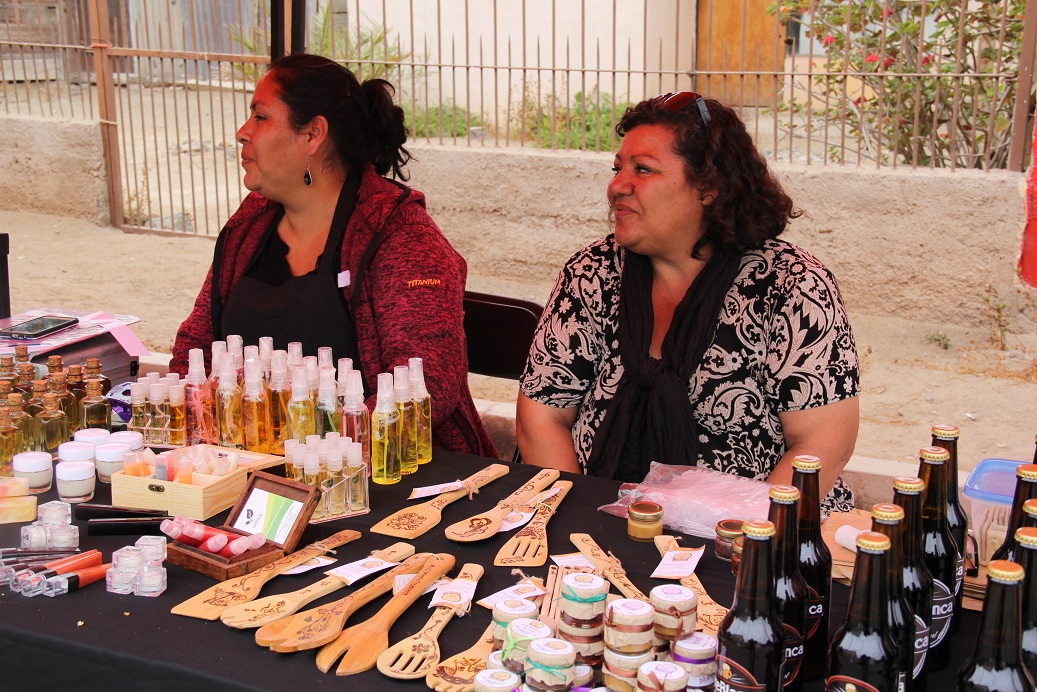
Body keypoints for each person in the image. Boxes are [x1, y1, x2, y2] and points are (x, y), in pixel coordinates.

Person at [516, 92, 859, 510]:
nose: (617, 186)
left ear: (708, 187)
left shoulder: (791, 286)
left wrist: (748, 536)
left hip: (753, 529)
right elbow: (543, 416)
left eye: (643, 169)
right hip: (591, 514)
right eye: (618, 168)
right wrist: (575, 516)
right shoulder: (594, 272)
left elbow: (823, 443)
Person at [170, 53, 495, 458]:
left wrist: (312, 454)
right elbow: (195, 346)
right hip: (245, 461)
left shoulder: (402, 237)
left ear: (313, 134)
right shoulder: (250, 224)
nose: (242, 132)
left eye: (261, 117)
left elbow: (425, 386)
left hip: (380, 472)